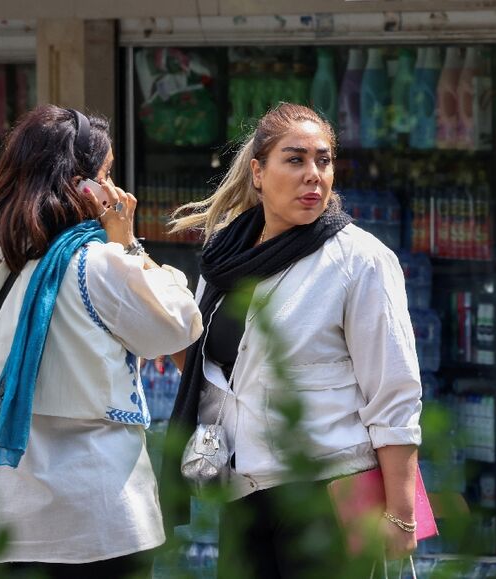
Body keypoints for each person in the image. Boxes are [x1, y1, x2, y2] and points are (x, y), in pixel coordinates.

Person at [0, 105, 204, 577]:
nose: (111, 190)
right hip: (98, 522)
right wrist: (126, 243)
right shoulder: (101, 265)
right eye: (106, 175)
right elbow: (179, 324)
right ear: (82, 183)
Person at [164, 103, 423, 578]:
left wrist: (401, 515)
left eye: (323, 161)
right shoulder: (225, 257)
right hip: (244, 491)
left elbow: (395, 393)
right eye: (296, 159)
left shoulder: (360, 261)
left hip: (330, 488)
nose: (313, 175)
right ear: (258, 173)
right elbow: (212, 373)